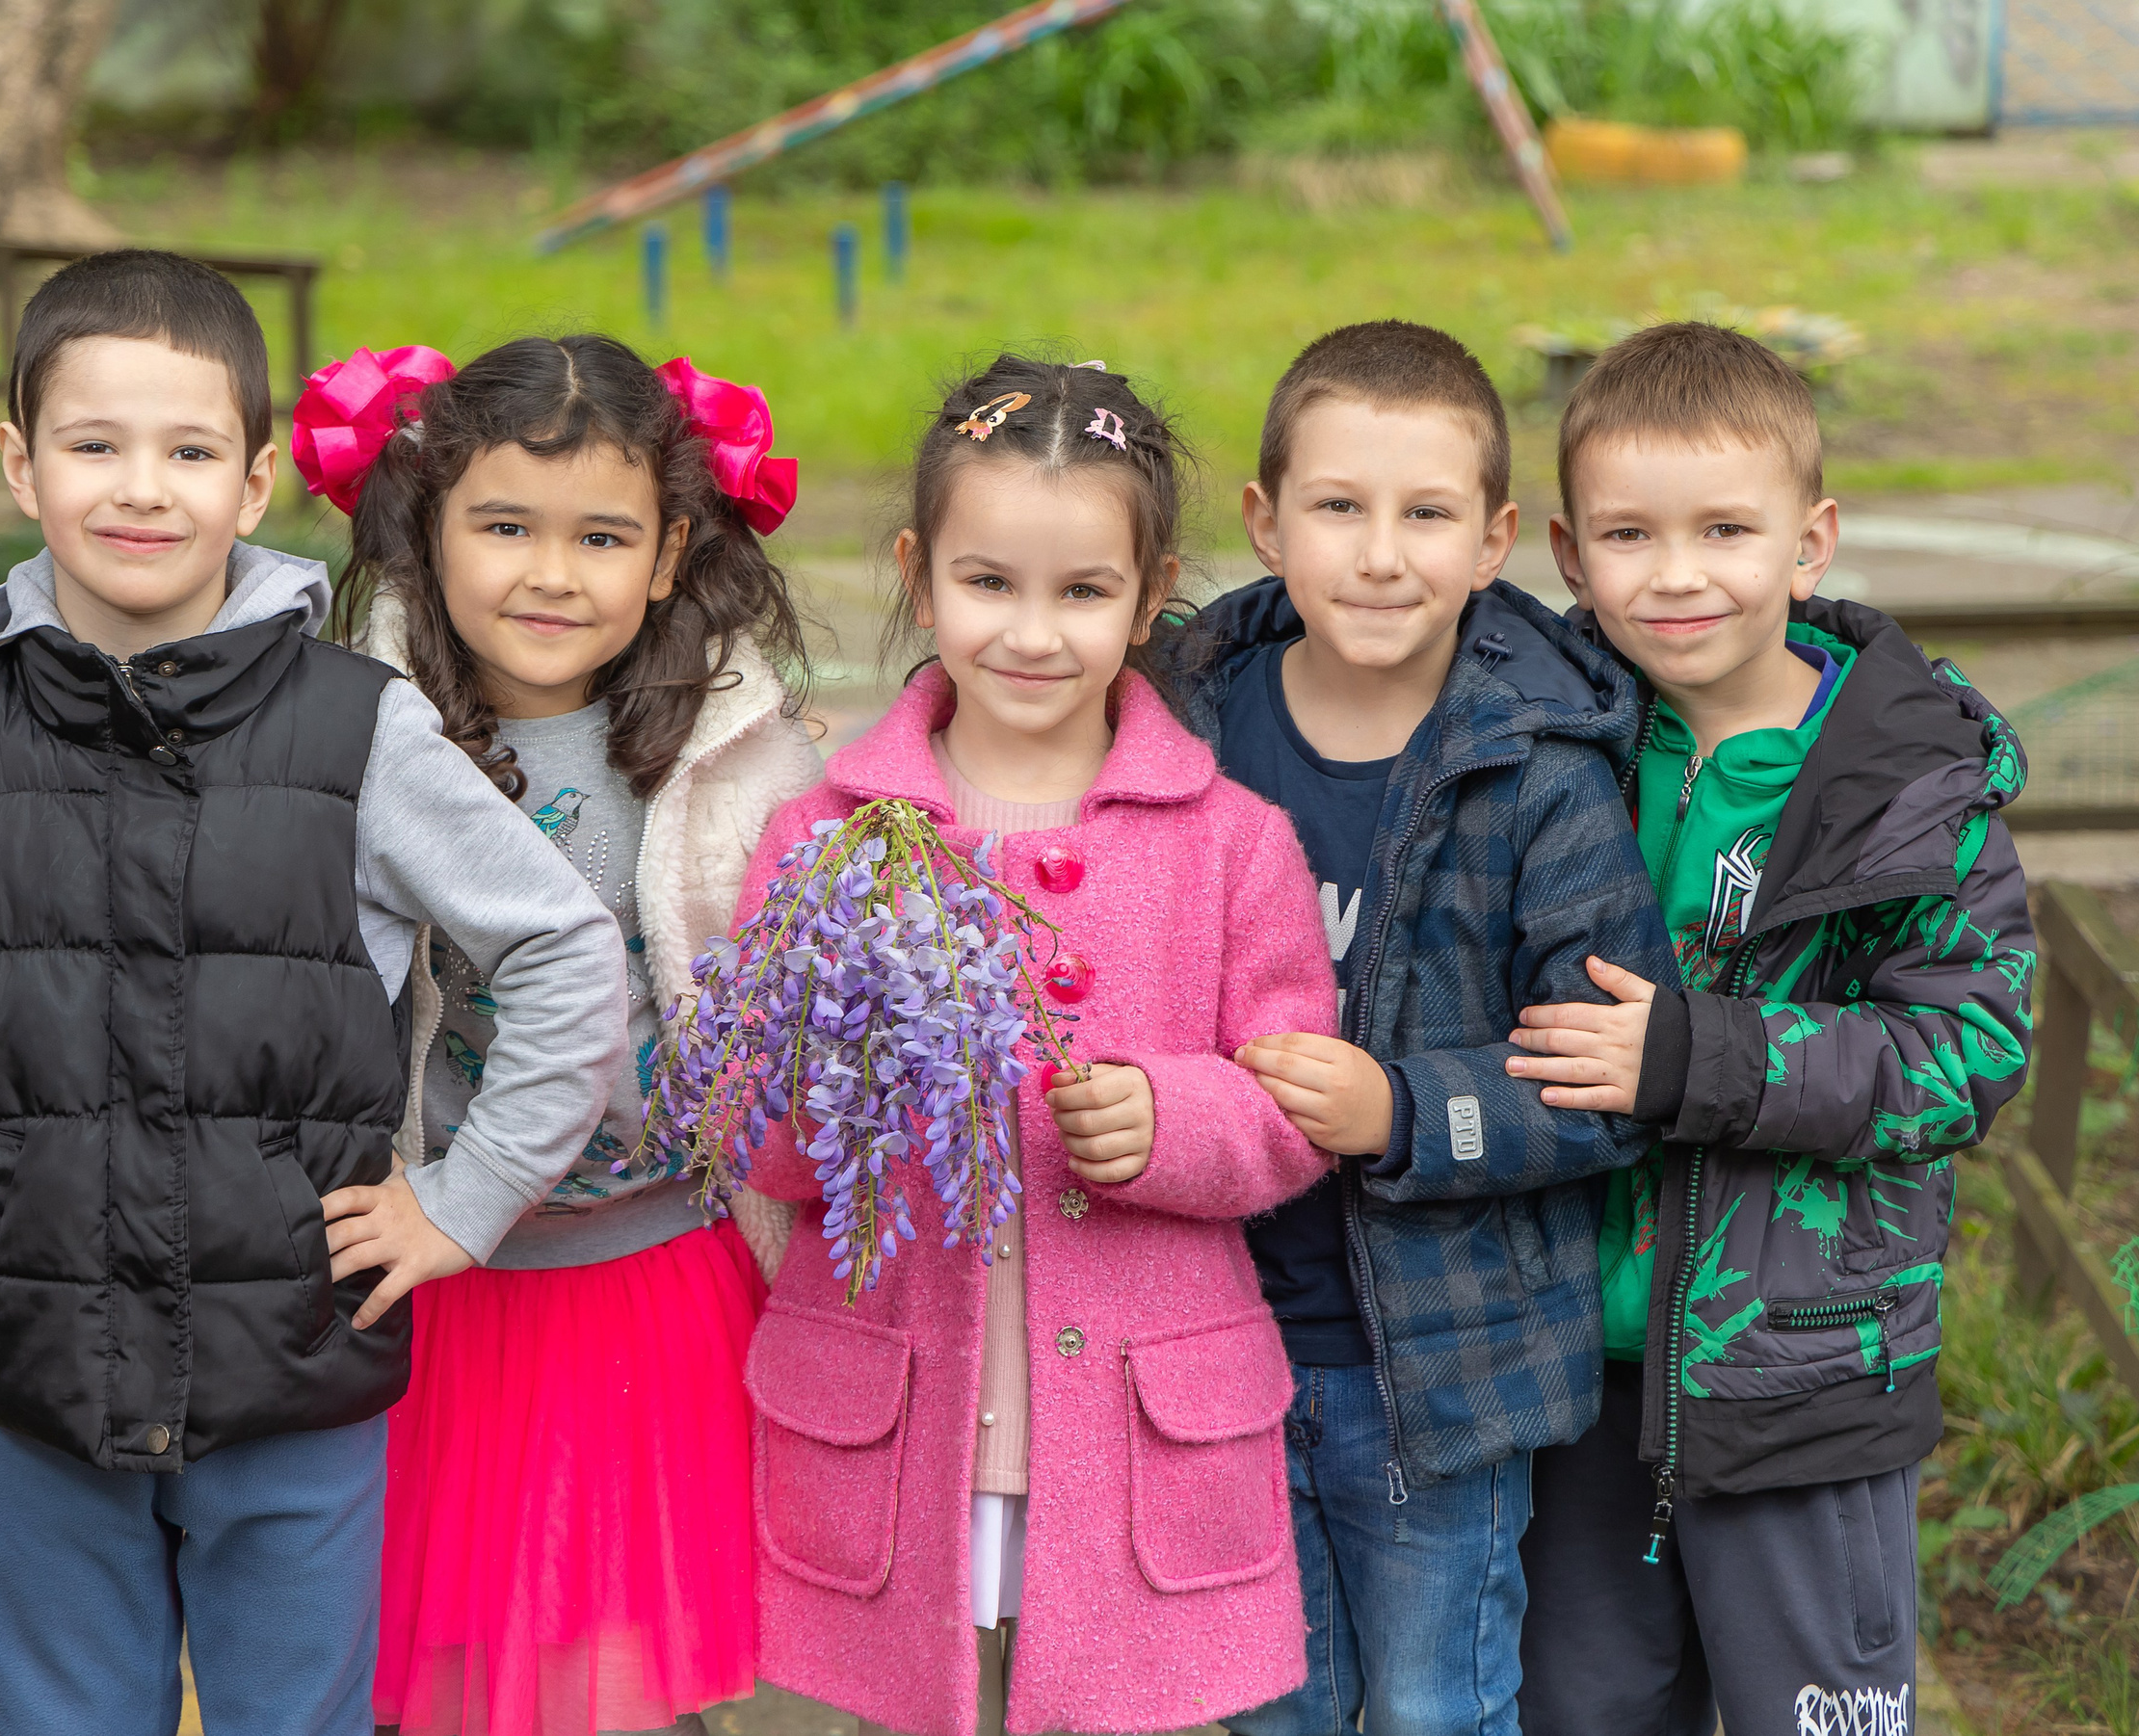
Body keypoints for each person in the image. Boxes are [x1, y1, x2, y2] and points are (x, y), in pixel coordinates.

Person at [0, 251, 628, 1736]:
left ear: (259, 478)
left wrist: (463, 1196)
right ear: (23, 466)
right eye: (94, 444)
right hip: (38, 1366)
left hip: (294, 1365)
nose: (140, 486)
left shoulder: (360, 728)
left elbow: (562, 950)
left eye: (188, 449)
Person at [737, 355, 1336, 1736]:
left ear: (1150, 591)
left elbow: (1296, 1104)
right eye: (989, 582)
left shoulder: (1230, 840)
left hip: (1141, 1451)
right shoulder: (823, 832)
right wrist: (839, 1072)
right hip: (884, 1438)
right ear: (918, 571)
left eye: (1083, 592)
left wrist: (1170, 1118)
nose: (1031, 631)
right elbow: (767, 1151)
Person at [1507, 321, 2036, 1735]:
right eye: (1630, 532)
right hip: (1576, 1375)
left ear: (1811, 542)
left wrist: (1696, 1058)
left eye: (1725, 529)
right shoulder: (1535, 744)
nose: (1676, 573)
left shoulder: (1904, 778)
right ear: (1568, 551)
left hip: (1807, 1372)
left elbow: (1965, 1052)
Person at [303, 334, 824, 1736]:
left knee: (610, 1670)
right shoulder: (361, 738)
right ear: (428, 536)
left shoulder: (733, 757)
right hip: (442, 1276)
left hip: (647, 1274)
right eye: (505, 527)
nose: (550, 572)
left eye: (600, 535)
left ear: (666, 557)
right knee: (454, 1664)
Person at [1170, 320, 1676, 1736]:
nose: (1380, 553)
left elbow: (1609, 1082)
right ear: (1267, 522)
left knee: (1433, 1701)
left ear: (1494, 538)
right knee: (1273, 1701)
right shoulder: (1185, 727)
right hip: (1216, 1349)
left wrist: (1404, 1109)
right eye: (1339, 506)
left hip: (1442, 1373)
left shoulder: (1537, 772)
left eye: (1425, 513)